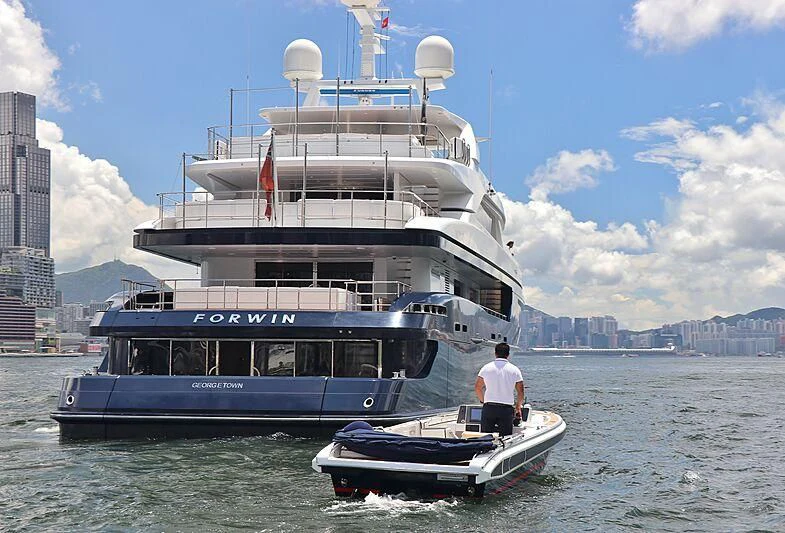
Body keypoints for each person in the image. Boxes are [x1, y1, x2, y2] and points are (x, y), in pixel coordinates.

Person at [474, 343, 524, 436]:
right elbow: (520, 392)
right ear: (508, 354)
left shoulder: (486, 368)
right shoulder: (515, 370)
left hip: (489, 408)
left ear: (495, 353)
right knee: (505, 439)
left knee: (485, 437)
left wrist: (483, 401)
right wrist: (518, 406)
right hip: (506, 409)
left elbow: (477, 387)